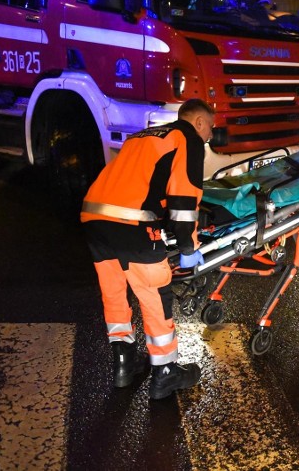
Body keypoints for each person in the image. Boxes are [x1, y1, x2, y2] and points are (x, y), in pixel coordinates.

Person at [80, 98, 215, 400]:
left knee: (114, 292)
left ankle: (124, 364)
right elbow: (184, 201)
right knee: (154, 292)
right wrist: (188, 245)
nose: (210, 137)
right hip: (133, 223)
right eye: (211, 129)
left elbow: (142, 183)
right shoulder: (187, 139)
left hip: (94, 217)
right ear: (199, 122)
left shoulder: (145, 135)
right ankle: (165, 371)